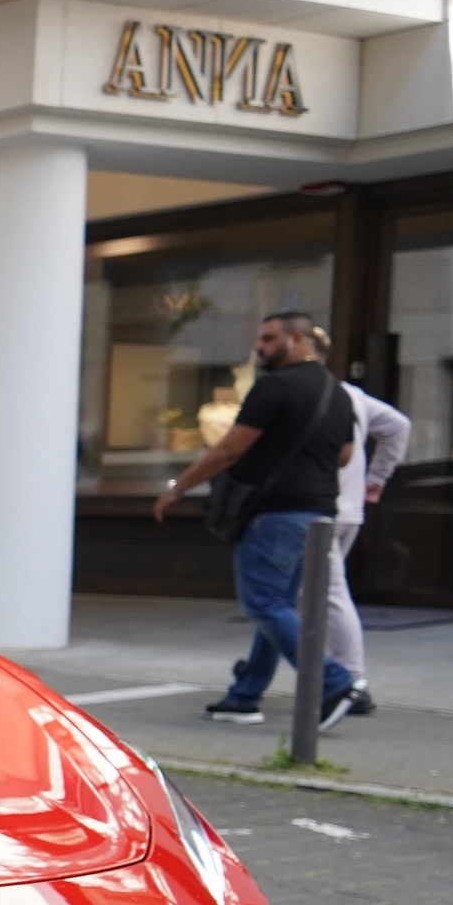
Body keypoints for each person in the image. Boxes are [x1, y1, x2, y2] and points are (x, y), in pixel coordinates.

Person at [152, 310, 358, 729]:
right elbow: (345, 455)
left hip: (276, 515)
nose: (259, 347)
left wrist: (178, 488)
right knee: (276, 605)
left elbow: (230, 449)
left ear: (296, 339)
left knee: (263, 603)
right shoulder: (337, 393)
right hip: (319, 514)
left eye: (268, 339)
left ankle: (333, 682)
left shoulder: (274, 387)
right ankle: (244, 697)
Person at [305, 327, 411, 715]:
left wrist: (377, 478)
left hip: (320, 509)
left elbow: (399, 427)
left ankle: (351, 679)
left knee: (325, 595)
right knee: (299, 598)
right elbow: (399, 426)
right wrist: (375, 480)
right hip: (348, 508)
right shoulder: (352, 395)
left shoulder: (320, 394)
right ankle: (258, 677)